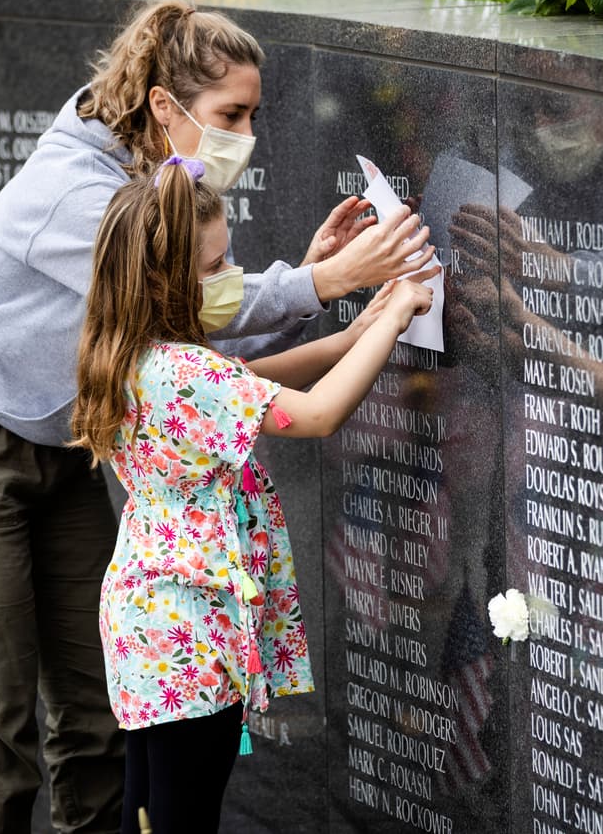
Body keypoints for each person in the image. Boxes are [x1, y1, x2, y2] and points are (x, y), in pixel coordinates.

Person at [0, 0, 437, 832]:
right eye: (231, 115)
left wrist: (318, 287)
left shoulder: (161, 196)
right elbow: (198, 313)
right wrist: (328, 286)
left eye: (253, 113)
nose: (245, 135)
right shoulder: (78, 190)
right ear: (164, 106)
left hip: (63, 445)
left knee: (98, 718)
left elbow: (191, 342)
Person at [71, 158, 433, 833]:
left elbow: (247, 379)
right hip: (193, 634)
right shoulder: (184, 369)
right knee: (184, 816)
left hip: (150, 625)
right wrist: (399, 309)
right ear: (160, 277)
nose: (230, 278)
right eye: (215, 266)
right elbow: (314, 414)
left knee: (148, 807)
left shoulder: (135, 352)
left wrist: (354, 334)